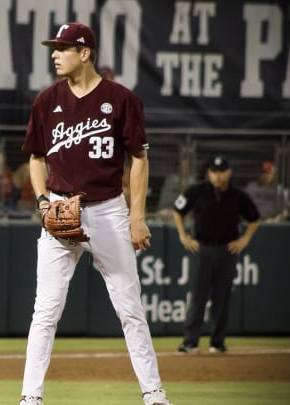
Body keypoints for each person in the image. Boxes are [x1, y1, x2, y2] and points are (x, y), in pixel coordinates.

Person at [19, 22, 172, 405]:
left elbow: (139, 159)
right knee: (46, 311)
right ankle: (30, 397)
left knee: (130, 308)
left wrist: (137, 216)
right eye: (54, 47)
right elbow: (36, 159)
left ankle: (153, 393)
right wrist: (42, 202)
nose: (54, 54)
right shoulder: (45, 101)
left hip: (107, 212)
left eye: (63, 48)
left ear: (85, 53)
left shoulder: (121, 99)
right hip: (59, 209)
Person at [173, 156, 260, 354]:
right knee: (198, 297)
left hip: (227, 250)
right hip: (202, 249)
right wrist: (183, 236)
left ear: (229, 172)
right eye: (214, 171)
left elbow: (254, 219)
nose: (217, 175)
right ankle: (190, 342)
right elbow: (178, 210)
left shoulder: (238, 195)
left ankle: (217, 342)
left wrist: (244, 240)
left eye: (221, 171)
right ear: (209, 173)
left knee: (222, 298)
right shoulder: (197, 190)